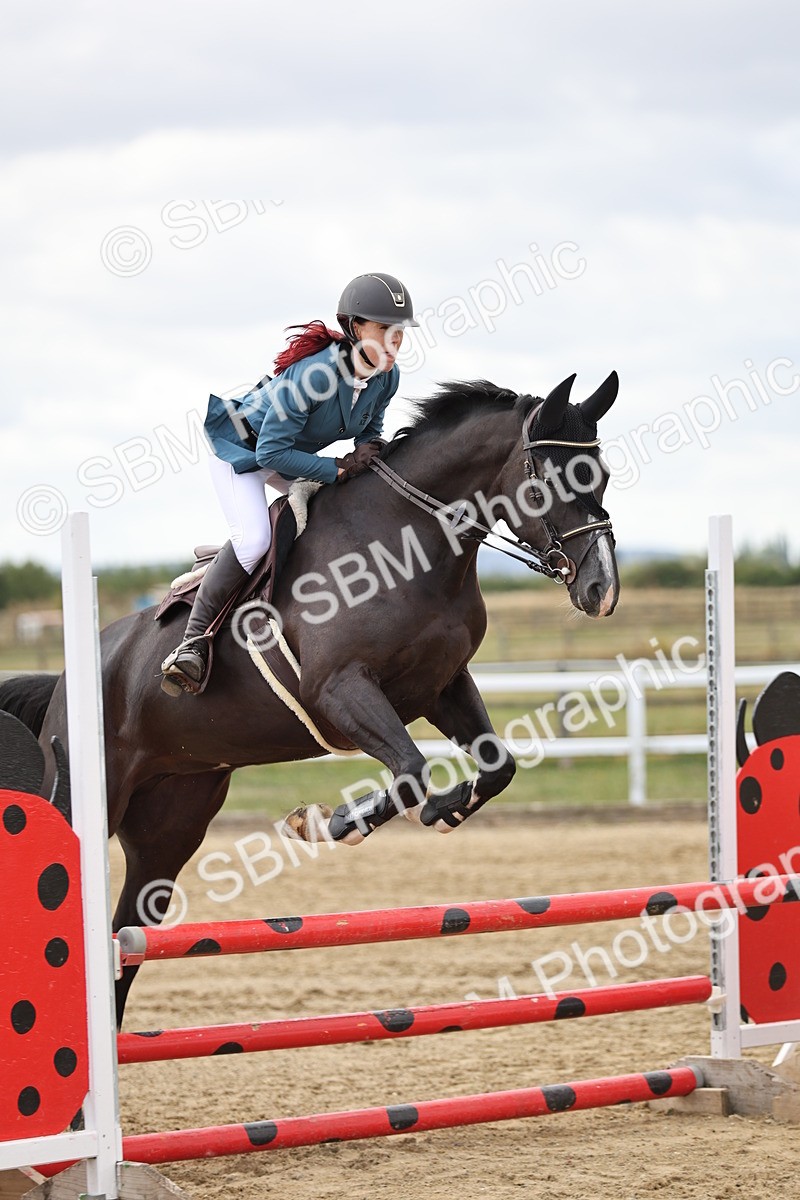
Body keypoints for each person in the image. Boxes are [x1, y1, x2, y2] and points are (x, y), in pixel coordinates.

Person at [160, 271, 419, 696]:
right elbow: (269, 456)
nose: (395, 341)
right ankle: (193, 641)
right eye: (384, 329)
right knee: (254, 540)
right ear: (355, 328)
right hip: (242, 454)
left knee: (341, 514)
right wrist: (337, 469)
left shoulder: (386, 376)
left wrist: (370, 451)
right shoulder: (313, 376)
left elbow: (370, 427)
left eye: (400, 332)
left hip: (289, 454)